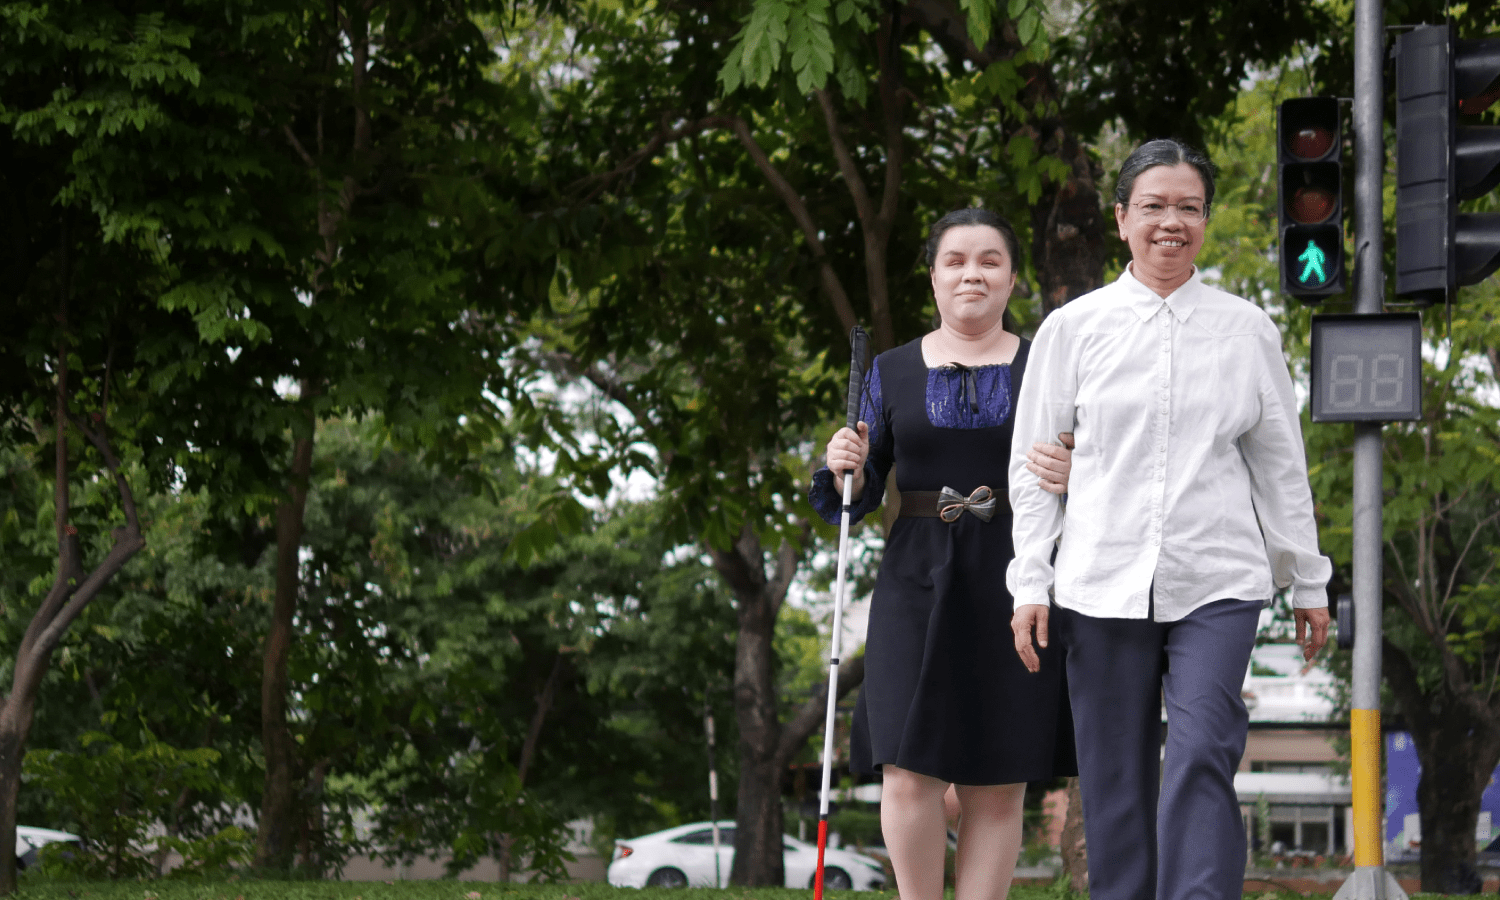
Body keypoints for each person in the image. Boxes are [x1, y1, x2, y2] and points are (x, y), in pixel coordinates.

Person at [1007, 140, 1333, 900]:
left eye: (1188, 207)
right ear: (1121, 219)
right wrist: (1030, 579)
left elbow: (1279, 466)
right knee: (1113, 773)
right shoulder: (1073, 328)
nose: (1171, 222)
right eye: (1153, 206)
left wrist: (1307, 580)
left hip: (1217, 577)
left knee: (1201, 754)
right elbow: (1033, 469)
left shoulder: (1247, 330)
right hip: (1098, 578)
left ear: (1207, 221)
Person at [810, 208, 1077, 900]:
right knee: (905, 765)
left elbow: (1094, 469)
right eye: (955, 260)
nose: (972, 274)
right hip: (914, 577)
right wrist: (847, 465)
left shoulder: (1046, 364)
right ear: (932, 275)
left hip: (1019, 575)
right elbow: (857, 493)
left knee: (997, 775)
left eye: (990, 261)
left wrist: (1081, 474)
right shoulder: (891, 371)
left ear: (1012, 278)